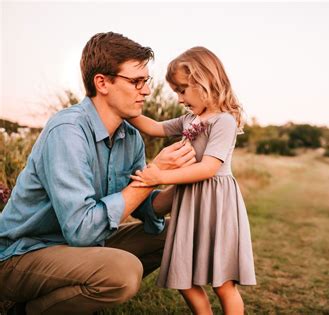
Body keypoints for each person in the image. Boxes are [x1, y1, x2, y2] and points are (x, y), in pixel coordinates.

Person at [0, 32, 196, 315]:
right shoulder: (68, 132)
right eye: (136, 82)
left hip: (80, 247)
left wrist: (180, 184)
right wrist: (156, 171)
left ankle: (65, 298)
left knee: (180, 234)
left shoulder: (130, 137)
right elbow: (81, 230)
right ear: (102, 83)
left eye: (146, 81)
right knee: (123, 273)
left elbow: (140, 204)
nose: (146, 91)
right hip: (21, 254)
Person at [128, 46, 256, 315]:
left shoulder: (224, 121)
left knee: (223, 284)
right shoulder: (190, 119)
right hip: (190, 204)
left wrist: (161, 176)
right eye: (176, 91)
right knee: (183, 275)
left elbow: (209, 168)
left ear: (205, 81)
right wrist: (126, 110)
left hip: (217, 205)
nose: (179, 98)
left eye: (182, 90)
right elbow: (157, 128)